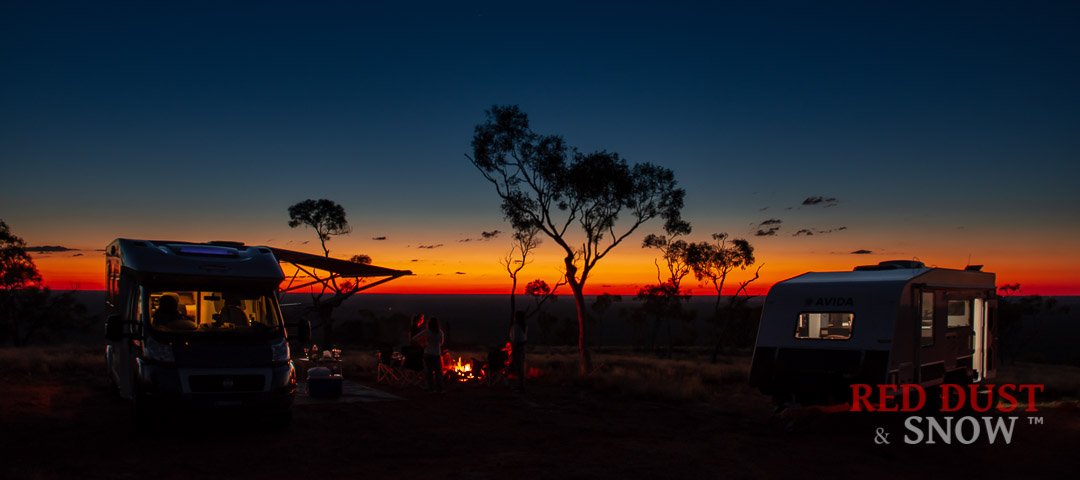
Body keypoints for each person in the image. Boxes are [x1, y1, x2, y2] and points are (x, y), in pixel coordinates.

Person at [412, 315, 445, 393]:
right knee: (438, 373)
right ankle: (439, 389)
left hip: (428, 354)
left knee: (429, 373)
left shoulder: (427, 332)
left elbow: (414, 339)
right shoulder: (440, 332)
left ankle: (430, 389)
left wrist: (423, 344)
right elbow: (441, 343)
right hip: (436, 354)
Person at [509, 310, 528, 392]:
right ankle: (521, 385)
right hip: (523, 348)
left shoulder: (516, 327)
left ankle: (521, 386)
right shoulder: (524, 325)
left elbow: (515, 339)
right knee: (520, 367)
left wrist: (513, 350)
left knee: (518, 367)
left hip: (518, 348)